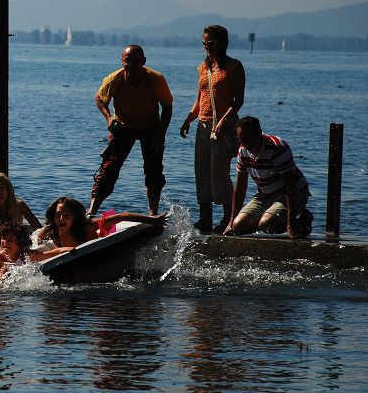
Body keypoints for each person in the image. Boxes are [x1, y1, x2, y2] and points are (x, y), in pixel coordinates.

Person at [89, 45, 173, 217]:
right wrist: (109, 118)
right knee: (108, 169)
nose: (131, 65)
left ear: (143, 61)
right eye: (127, 62)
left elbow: (167, 106)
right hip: (123, 127)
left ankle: (153, 214)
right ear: (122, 62)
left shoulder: (155, 79)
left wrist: (160, 134)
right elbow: (99, 99)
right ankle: (92, 210)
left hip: (151, 127)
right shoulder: (114, 79)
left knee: (154, 171)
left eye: (136, 61)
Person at [179, 25, 246, 233]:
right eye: (204, 43)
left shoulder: (234, 67)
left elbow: (238, 101)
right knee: (202, 171)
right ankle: (205, 218)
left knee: (220, 173)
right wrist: (188, 119)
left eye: (211, 43)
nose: (207, 47)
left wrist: (223, 121)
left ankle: (228, 217)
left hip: (223, 127)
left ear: (223, 42)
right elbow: (200, 99)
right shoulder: (203, 67)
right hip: (202, 123)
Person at [223, 116, 313, 239]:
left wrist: (290, 223)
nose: (244, 143)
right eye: (241, 139)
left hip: (294, 194)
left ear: (259, 133)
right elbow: (240, 187)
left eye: (248, 139)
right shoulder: (243, 150)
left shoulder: (277, 148)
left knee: (267, 223)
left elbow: (290, 186)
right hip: (265, 195)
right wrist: (231, 222)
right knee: (238, 226)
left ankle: (301, 223)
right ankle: (269, 218)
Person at [37, 196, 168, 249]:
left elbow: (123, 216)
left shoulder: (88, 227)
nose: (61, 219)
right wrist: (40, 235)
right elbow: (42, 232)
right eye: (58, 215)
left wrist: (153, 220)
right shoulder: (53, 229)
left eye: (66, 215)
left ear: (75, 217)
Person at [0, 172, 42, 245]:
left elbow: (38, 227)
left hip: (19, 244)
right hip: (2, 246)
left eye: (1, 188)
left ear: (8, 189)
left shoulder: (19, 205)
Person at [0, 223, 75, 265]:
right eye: (3, 238)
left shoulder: (27, 256)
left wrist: (64, 249)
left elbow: (49, 254)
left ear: (20, 242)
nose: (5, 242)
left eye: (10, 239)